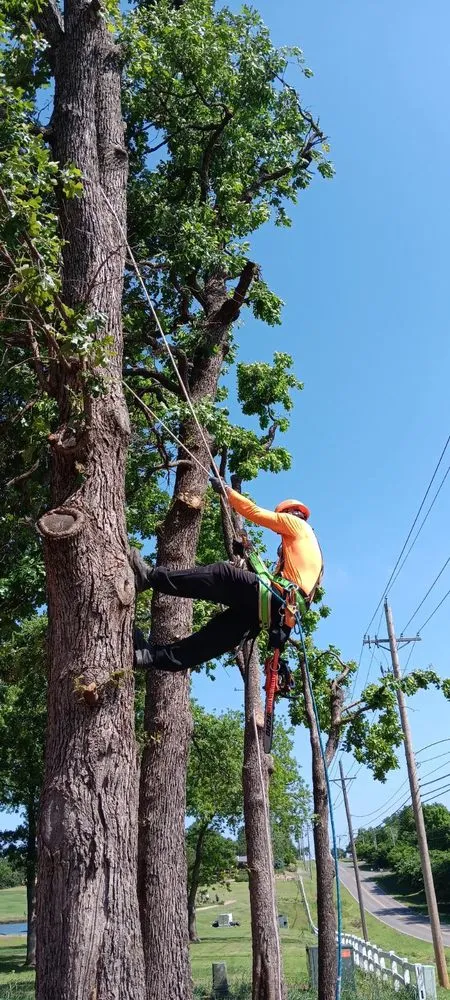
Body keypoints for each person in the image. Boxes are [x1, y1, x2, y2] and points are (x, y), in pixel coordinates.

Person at [130, 479, 323, 672]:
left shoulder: (297, 524)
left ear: (289, 513)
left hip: (277, 601)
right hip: (276, 611)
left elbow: (254, 512)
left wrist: (227, 492)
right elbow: (277, 586)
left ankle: (151, 578)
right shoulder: (309, 554)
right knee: (219, 634)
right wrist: (249, 553)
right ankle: (153, 657)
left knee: (222, 575)